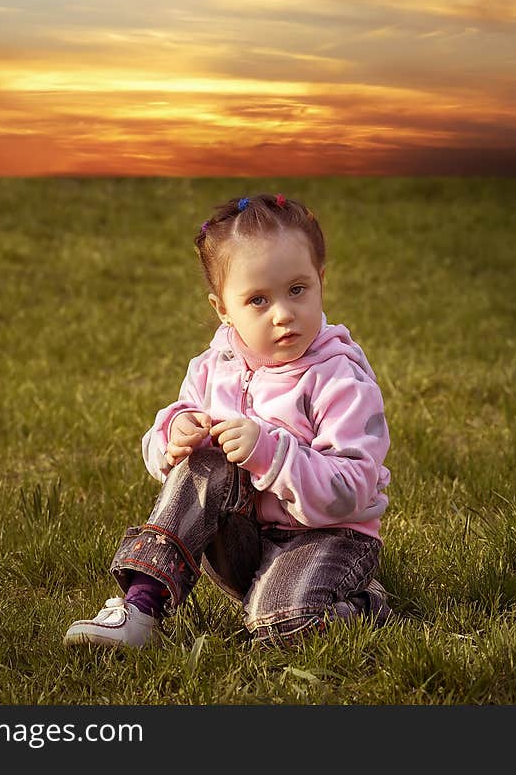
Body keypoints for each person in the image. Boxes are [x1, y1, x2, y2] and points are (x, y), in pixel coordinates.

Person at [64, 193, 392, 648]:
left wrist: (271, 452)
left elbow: (350, 490)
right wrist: (173, 435)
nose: (283, 314)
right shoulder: (212, 365)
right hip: (246, 539)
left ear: (321, 280)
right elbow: (171, 456)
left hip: (329, 538)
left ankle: (364, 604)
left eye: (298, 290)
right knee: (204, 461)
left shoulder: (339, 378)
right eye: (258, 300)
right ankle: (141, 606)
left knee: (280, 627)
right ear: (223, 309)